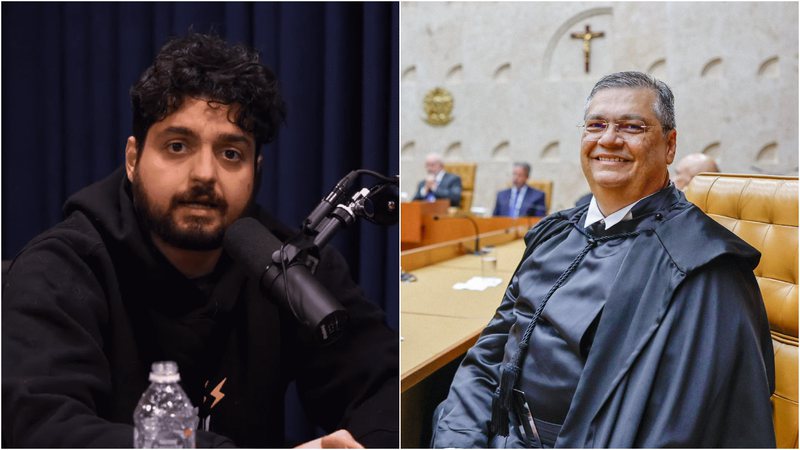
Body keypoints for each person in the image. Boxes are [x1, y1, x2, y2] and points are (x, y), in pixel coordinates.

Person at [2, 33, 398, 448]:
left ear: (256, 171)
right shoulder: (61, 267)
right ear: (133, 160)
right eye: (177, 146)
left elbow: (382, 384)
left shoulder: (290, 264)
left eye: (230, 153)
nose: (205, 174)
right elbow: (43, 429)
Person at [432, 71, 775, 447]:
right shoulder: (555, 234)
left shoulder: (704, 266)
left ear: (669, 145)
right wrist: (460, 441)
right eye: (596, 125)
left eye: (632, 127)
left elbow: (682, 428)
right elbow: (488, 356)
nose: (609, 139)